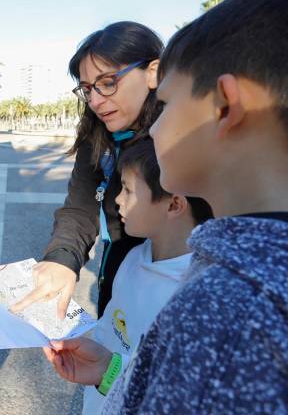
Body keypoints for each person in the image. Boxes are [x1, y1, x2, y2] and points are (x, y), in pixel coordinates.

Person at [47, 0, 288, 412]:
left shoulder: (212, 310)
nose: (156, 131)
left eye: (168, 101)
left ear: (224, 107)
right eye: (87, 89)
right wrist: (113, 370)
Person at [43, 138, 212, 414]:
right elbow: (110, 336)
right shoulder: (133, 257)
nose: (117, 200)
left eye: (127, 190)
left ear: (173, 205)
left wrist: (109, 371)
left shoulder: (195, 296)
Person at [11, 22, 163, 320]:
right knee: (110, 363)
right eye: (87, 89)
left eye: (108, 83)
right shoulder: (98, 134)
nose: (94, 101)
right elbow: (82, 205)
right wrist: (62, 259)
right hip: (114, 283)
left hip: (165, 297)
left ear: (153, 72)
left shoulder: (180, 141)